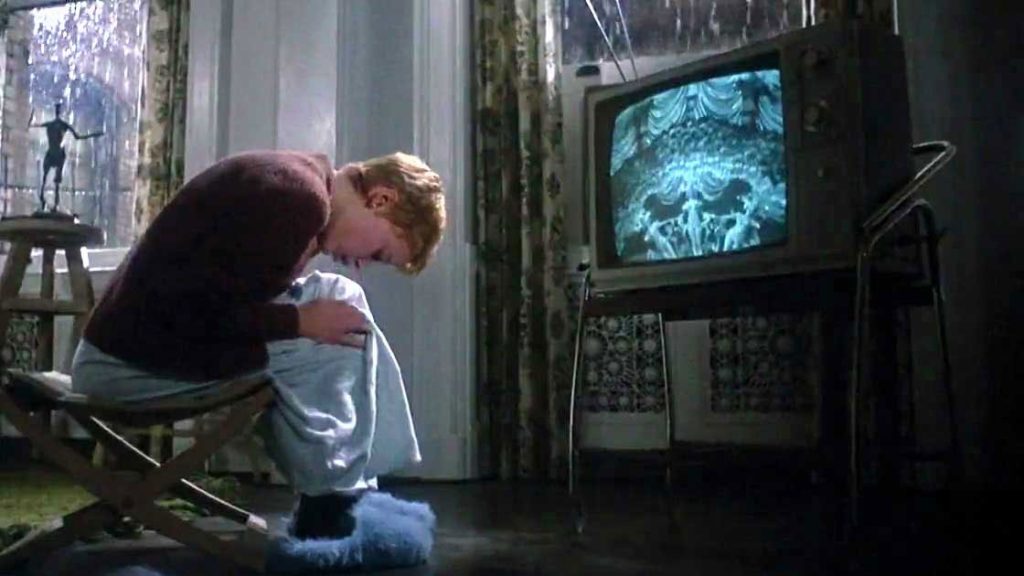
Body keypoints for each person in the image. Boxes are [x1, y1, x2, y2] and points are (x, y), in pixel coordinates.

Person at [71, 150, 446, 539]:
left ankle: (356, 485)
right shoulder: (297, 201)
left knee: (342, 299)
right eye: (378, 254)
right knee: (321, 345)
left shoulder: (304, 186)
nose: (361, 264)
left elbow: (218, 298)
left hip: (145, 347)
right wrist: (298, 322)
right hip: (123, 365)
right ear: (381, 200)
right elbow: (186, 311)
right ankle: (329, 509)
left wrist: (303, 321)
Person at [30, 102, 104, 212]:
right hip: (52, 153)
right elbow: (34, 125)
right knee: (46, 178)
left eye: (58, 110)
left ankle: (54, 203)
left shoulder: (61, 125)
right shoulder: (53, 124)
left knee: (56, 181)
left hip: (58, 154)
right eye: (57, 109)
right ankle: (45, 200)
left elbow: (78, 137)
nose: (57, 112)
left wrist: (93, 135)